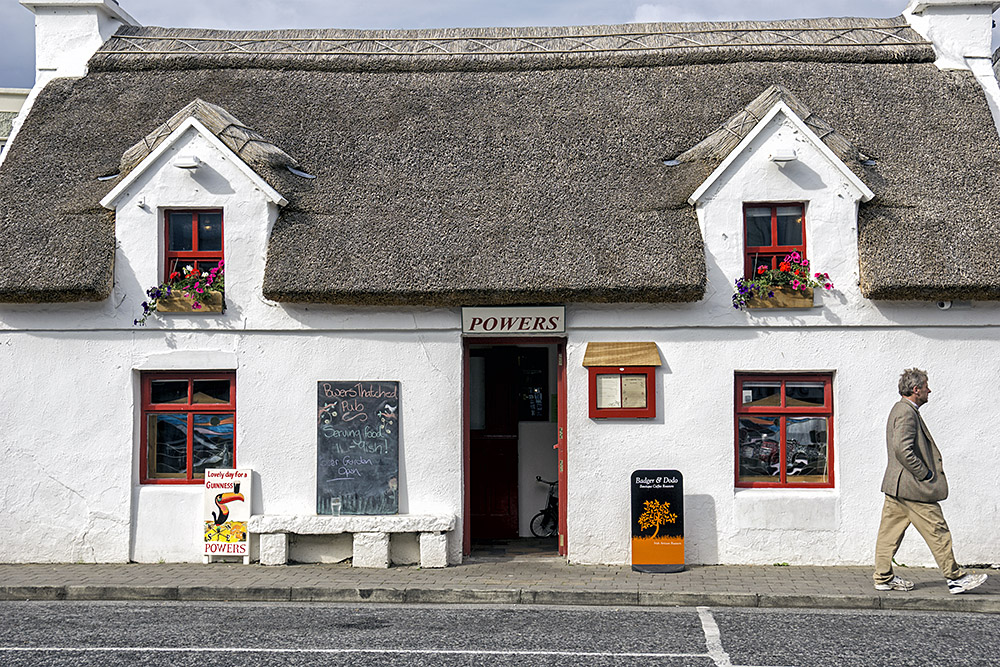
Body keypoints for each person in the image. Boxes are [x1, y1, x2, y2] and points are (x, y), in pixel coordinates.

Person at [873, 368, 988, 594]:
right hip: (913, 488)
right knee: (938, 531)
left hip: (897, 487)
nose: (929, 390)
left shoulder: (901, 409)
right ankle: (955, 578)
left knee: (889, 534)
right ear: (916, 390)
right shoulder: (906, 412)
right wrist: (925, 473)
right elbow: (903, 450)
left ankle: (883, 578)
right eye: (926, 387)